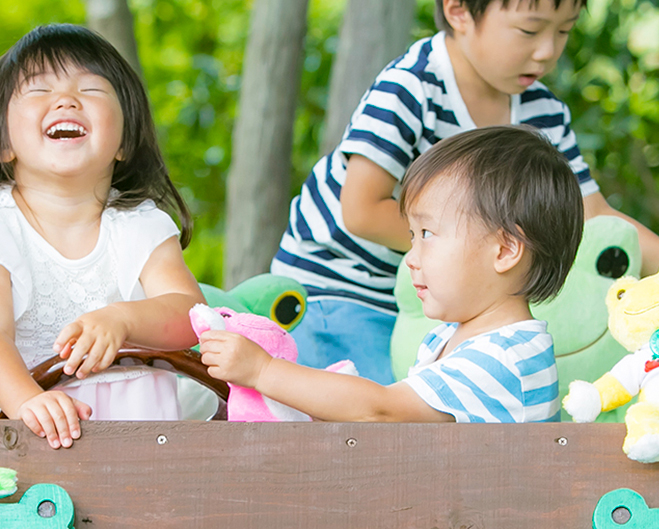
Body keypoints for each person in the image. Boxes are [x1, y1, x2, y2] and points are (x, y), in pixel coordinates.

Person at [272, 0, 659, 384]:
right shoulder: (412, 86)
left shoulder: (542, 112)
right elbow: (360, 210)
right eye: (529, 31)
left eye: (565, 31)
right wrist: (469, 256)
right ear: (458, 9)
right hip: (340, 294)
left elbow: (592, 215)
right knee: (388, 416)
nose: (548, 52)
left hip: (439, 301)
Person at [0, 23, 208, 446]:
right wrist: (27, 401)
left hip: (134, 432)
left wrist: (123, 318)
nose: (66, 99)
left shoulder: (139, 223)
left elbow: (189, 314)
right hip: (14, 426)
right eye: (38, 89)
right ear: (0, 143)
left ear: (125, 141)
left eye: (91, 90)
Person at [206, 126, 582, 422]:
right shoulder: (452, 339)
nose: (410, 259)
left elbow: (382, 410)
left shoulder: (507, 358)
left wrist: (263, 371)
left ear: (504, 251)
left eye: (428, 235)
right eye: (412, 237)